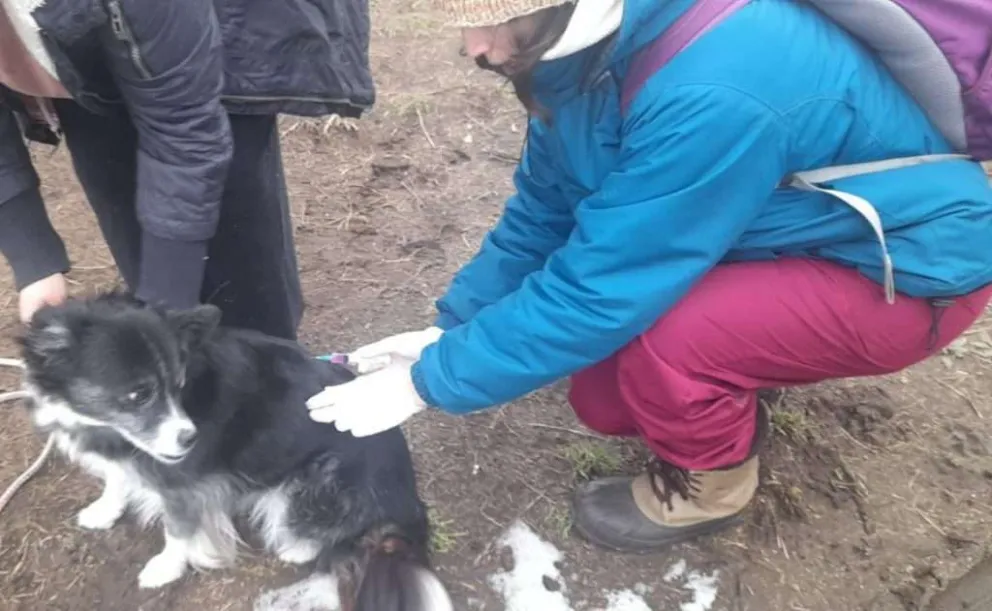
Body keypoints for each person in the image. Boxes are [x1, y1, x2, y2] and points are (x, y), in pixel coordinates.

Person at [306, 0, 992, 553]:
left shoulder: (715, 84)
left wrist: (432, 380)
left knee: (666, 339)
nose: (475, 48)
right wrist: (447, 328)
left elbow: (605, 285)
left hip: (901, 269)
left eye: (490, 20)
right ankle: (743, 365)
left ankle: (714, 490)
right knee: (607, 401)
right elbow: (544, 212)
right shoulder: (585, 55)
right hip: (789, 232)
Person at [0, 0, 373, 339]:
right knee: (135, 229)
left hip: (211, 38)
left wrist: (164, 308)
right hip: (80, 60)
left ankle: (264, 363)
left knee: (237, 278)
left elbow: (185, 127)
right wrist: (33, 260)